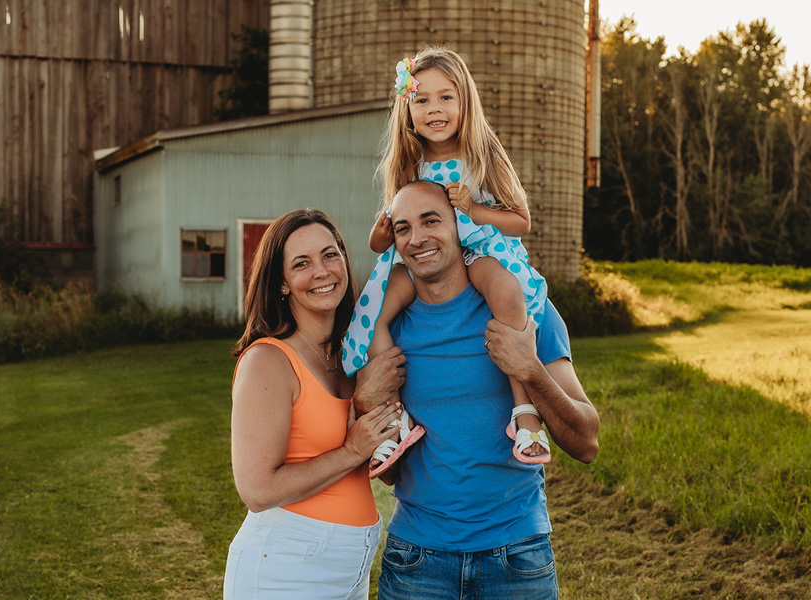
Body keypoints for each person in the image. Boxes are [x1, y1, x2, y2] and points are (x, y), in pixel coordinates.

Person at [355, 181, 600, 599]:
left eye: (431, 220)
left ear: (458, 224)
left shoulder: (527, 311)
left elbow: (586, 442)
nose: (418, 238)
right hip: (417, 560)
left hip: (518, 557)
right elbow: (390, 471)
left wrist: (530, 369)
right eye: (403, 228)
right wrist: (368, 402)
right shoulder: (388, 330)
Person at [342, 46, 550, 477]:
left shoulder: (483, 155)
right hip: (420, 257)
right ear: (408, 109)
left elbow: (521, 221)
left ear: (464, 101)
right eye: (422, 100)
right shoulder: (406, 164)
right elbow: (381, 237)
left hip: (477, 250)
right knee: (376, 309)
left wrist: (474, 209)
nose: (434, 109)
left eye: (445, 97)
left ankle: (525, 411)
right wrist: (382, 234)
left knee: (505, 290)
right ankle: (395, 415)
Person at [223, 208, 406, 600]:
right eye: (302, 263)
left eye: (330, 254)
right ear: (282, 283)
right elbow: (257, 489)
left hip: (352, 567)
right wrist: (352, 450)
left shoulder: (353, 356)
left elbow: (388, 473)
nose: (322, 271)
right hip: (284, 567)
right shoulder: (268, 361)